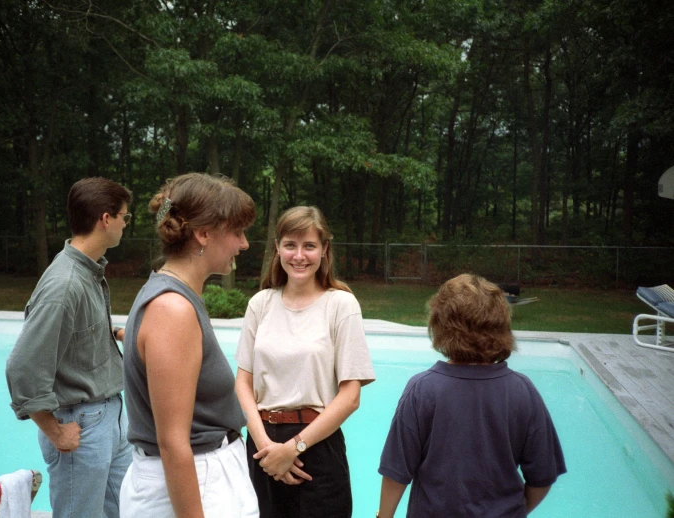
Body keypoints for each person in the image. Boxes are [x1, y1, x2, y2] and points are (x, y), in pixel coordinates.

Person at [119, 173, 259, 518]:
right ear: (204, 233)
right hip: (196, 484)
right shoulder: (173, 309)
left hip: (202, 477)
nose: (244, 244)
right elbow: (173, 444)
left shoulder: (177, 296)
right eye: (237, 232)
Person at [377, 273, 567, 518]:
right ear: (501, 326)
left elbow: (396, 471)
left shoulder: (423, 389)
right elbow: (541, 478)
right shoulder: (523, 391)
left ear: (440, 327)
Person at [235, 205, 376, 517]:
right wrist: (265, 448)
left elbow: (350, 397)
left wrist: (293, 448)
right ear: (278, 248)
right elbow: (243, 383)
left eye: (309, 246)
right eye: (290, 245)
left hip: (317, 447)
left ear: (324, 249)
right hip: (263, 447)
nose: (299, 255)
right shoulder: (260, 304)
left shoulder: (341, 305)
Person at [6, 177, 134, 518]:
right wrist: (54, 430)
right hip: (82, 425)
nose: (126, 223)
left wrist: (119, 333)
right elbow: (23, 367)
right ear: (106, 219)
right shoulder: (64, 285)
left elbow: (78, 334)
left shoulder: (87, 273)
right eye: (125, 216)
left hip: (109, 417)